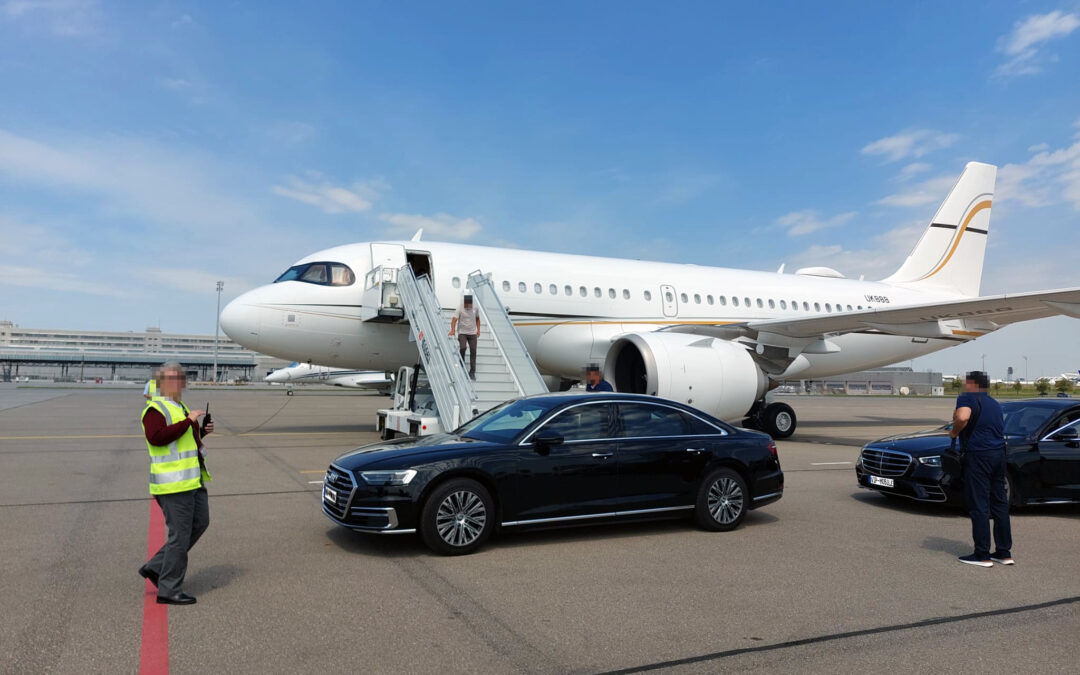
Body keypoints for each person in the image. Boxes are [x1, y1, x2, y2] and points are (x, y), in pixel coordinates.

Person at [138, 362, 213, 605]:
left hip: (192, 480)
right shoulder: (155, 409)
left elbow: (183, 441)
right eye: (172, 378)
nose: (178, 382)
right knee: (179, 536)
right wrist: (188, 422)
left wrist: (201, 431)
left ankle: (156, 566)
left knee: (201, 522)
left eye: (180, 378)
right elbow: (157, 438)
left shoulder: (179, 406)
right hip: (173, 484)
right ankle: (169, 589)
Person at [948, 370, 1012, 568]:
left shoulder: (967, 397)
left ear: (972, 384)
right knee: (999, 503)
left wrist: (954, 432)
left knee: (979, 505)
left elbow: (963, 417)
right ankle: (1004, 552)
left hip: (979, 456)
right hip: (998, 454)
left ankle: (982, 554)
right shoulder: (993, 403)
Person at [449, 294, 481, 380]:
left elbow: (477, 319)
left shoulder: (475, 308)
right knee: (463, 348)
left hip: (472, 333)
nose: (468, 307)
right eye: (466, 306)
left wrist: (478, 330)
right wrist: (452, 330)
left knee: (473, 351)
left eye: (469, 306)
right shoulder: (460, 307)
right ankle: (462, 362)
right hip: (462, 332)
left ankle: (472, 372)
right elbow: (454, 320)